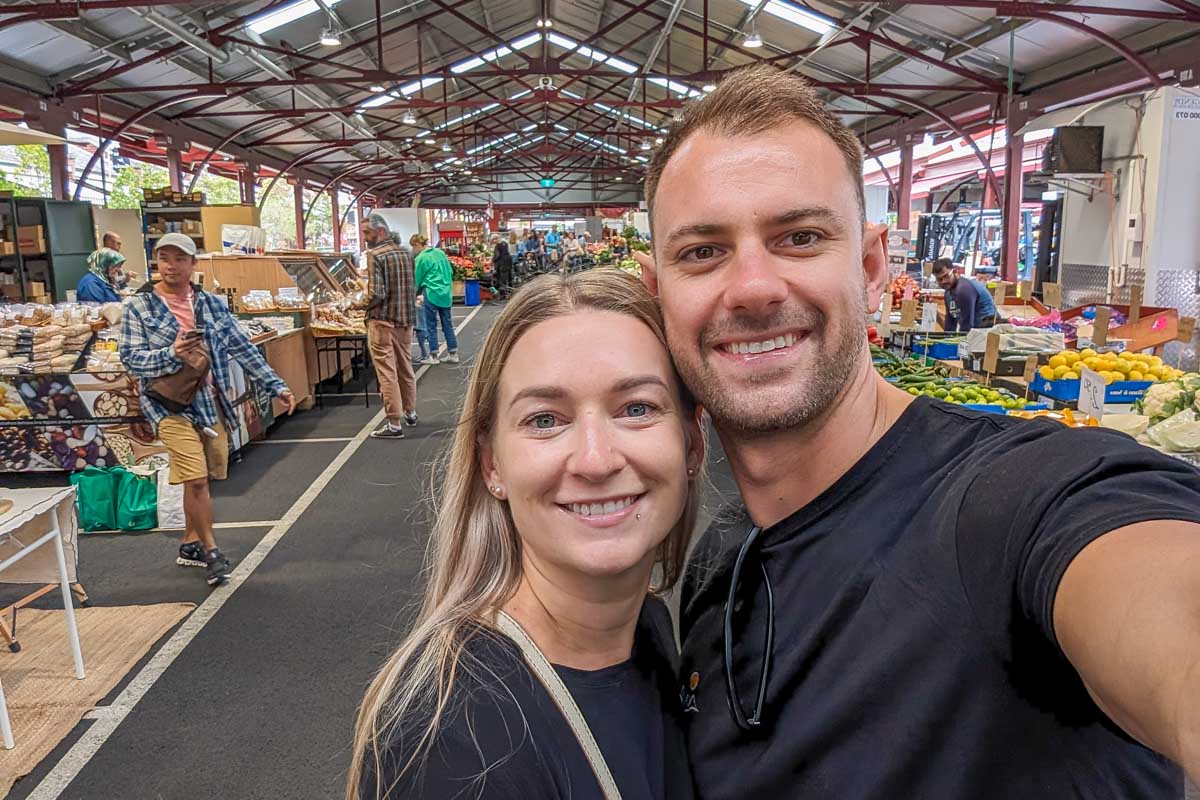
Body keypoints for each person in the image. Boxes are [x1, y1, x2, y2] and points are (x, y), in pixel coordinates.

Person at [634, 64, 1200, 798]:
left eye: (799, 237)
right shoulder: (718, 566)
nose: (753, 287)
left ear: (871, 268)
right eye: (703, 252)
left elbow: (1164, 602)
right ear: (658, 296)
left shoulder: (1010, 504)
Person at [348, 270, 703, 800]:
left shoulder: (646, 628)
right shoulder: (457, 743)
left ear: (692, 444)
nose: (595, 459)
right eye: (544, 420)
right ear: (492, 464)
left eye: (636, 409)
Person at [120, 233, 296, 587]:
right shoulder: (139, 307)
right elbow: (130, 359)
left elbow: (241, 347)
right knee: (196, 478)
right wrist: (172, 353)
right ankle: (212, 551)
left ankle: (190, 542)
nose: (170, 265)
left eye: (179, 258)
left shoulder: (212, 304)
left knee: (201, 476)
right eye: (164, 258)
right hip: (166, 404)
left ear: (192, 264)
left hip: (208, 400)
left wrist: (277, 385)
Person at [361, 215, 418, 440]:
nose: (365, 238)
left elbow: (377, 293)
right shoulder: (406, 253)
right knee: (406, 367)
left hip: (382, 321)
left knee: (387, 372)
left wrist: (357, 304)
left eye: (367, 233)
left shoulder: (375, 255)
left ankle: (394, 423)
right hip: (405, 320)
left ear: (381, 232)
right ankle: (411, 412)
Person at [410, 234, 459, 365]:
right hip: (446, 293)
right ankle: (453, 353)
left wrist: (413, 294)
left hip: (431, 293)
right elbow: (450, 271)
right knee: (447, 324)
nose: (413, 250)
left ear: (417, 245)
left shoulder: (421, 258)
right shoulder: (440, 253)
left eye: (413, 247)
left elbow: (417, 279)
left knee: (431, 325)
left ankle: (434, 355)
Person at [933, 256, 998, 332]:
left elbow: (967, 325)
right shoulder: (948, 293)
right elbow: (950, 324)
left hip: (987, 333)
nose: (943, 281)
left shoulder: (963, 289)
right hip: (975, 333)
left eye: (946, 276)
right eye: (939, 279)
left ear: (955, 272)